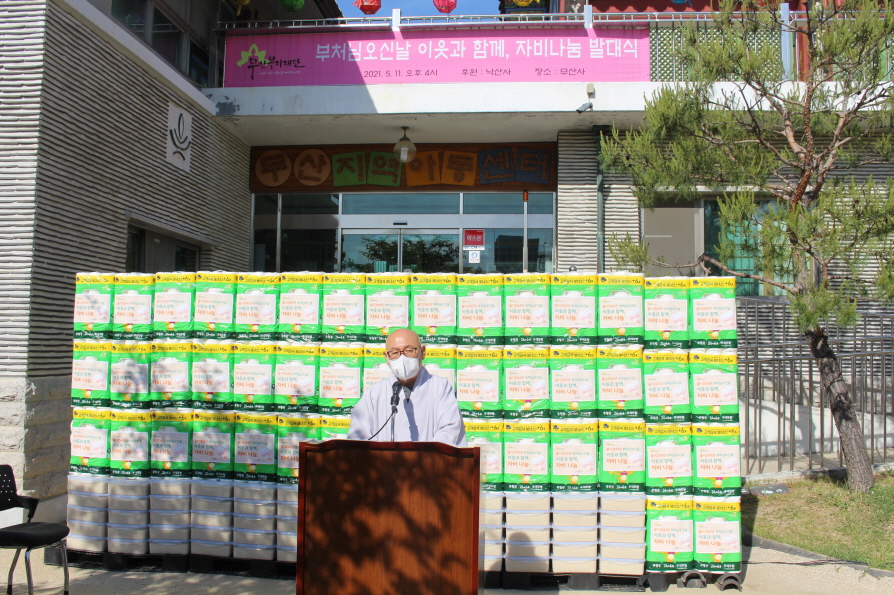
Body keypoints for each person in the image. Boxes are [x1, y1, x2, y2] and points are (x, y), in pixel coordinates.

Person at [347, 328, 466, 446]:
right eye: (395, 353)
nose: (402, 358)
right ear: (387, 357)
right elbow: (358, 435)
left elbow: (449, 430)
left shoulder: (440, 387)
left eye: (409, 351)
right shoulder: (375, 393)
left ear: (422, 352)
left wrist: (424, 454)